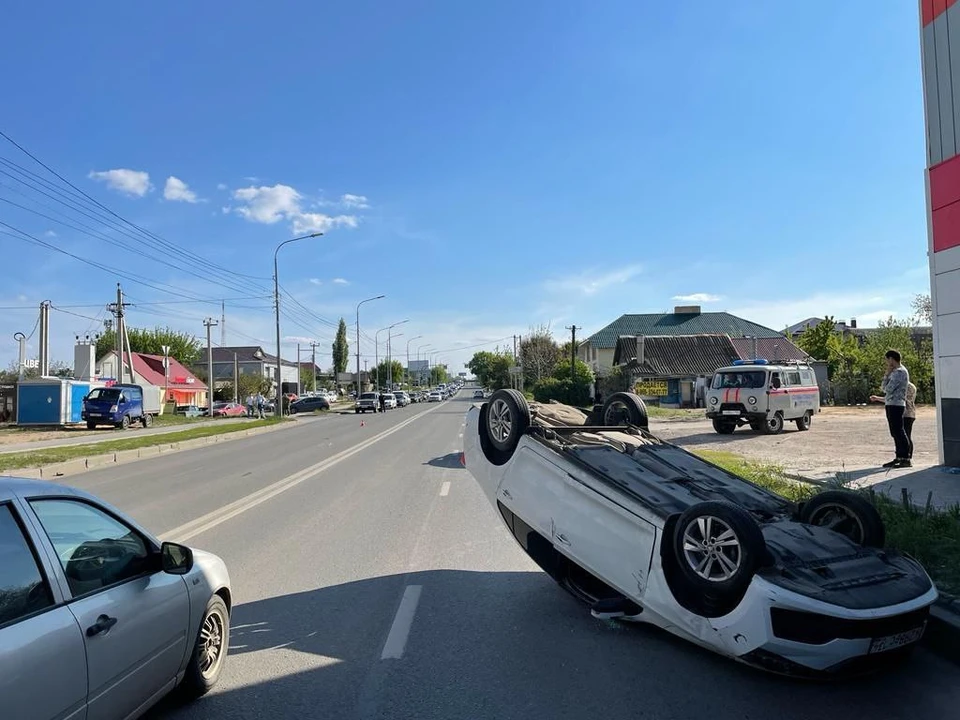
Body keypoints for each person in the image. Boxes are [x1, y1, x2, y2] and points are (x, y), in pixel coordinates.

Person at [869, 349, 911, 468]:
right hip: (891, 403)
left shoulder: (900, 372)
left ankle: (905, 458)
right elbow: (883, 387)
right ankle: (899, 456)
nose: (887, 363)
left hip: (896, 404)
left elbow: (887, 389)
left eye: (887, 360)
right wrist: (887, 374)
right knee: (894, 432)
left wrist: (887, 375)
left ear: (892, 359)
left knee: (899, 431)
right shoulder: (894, 372)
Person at [904, 380, 917, 461]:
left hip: (908, 413)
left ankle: (908, 455)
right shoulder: (910, 386)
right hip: (908, 413)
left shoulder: (908, 386)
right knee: (906, 435)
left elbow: (900, 398)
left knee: (906, 435)